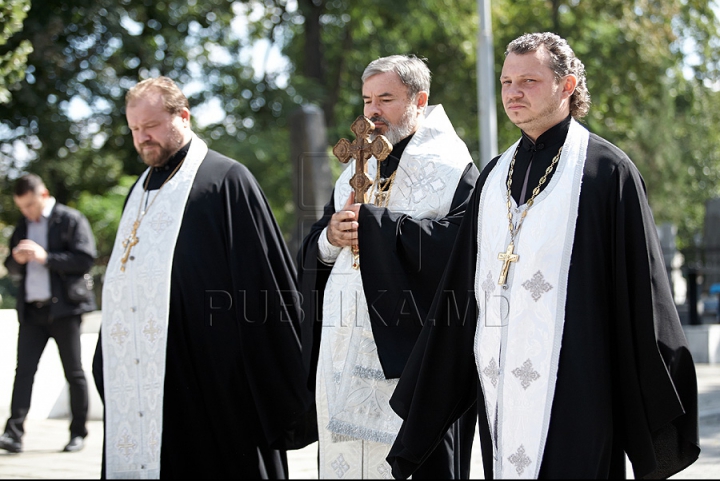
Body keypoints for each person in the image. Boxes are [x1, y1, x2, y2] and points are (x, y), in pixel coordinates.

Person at [386, 32, 700, 479]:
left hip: (578, 384)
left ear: (567, 87)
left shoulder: (607, 172)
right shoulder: (494, 175)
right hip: (500, 384)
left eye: (529, 81)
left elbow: (642, 292)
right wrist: (428, 400)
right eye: (506, 82)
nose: (513, 92)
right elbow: (460, 289)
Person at [91, 76, 314, 479]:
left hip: (212, 382)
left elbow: (264, 286)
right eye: (135, 130)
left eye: (152, 126)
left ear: (183, 116)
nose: (143, 138)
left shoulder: (226, 180)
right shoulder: (139, 190)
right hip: (146, 380)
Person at [297, 54, 480, 479]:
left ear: (420, 99)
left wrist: (377, 230)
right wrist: (330, 237)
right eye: (366, 101)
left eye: (386, 99)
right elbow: (320, 247)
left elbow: (460, 251)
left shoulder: (454, 169)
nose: (373, 112)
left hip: (413, 359)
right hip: (342, 350)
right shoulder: (354, 167)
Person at [0, 174, 97, 454]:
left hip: (65, 311)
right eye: (22, 207)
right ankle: (13, 434)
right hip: (32, 311)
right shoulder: (23, 225)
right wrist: (16, 261)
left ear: (43, 195)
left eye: (30, 205)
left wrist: (46, 257)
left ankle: (77, 433)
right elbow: (12, 267)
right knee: (24, 373)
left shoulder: (70, 219)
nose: (26, 212)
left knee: (74, 372)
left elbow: (84, 259)